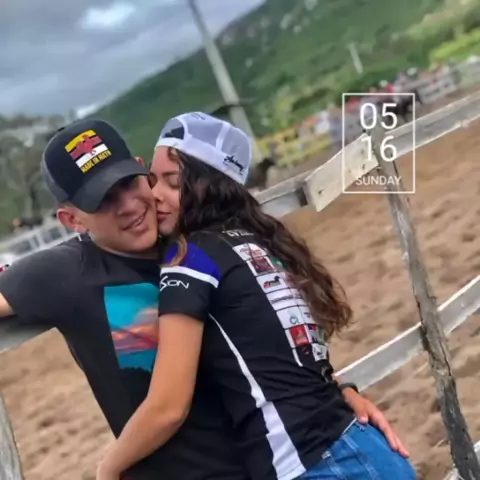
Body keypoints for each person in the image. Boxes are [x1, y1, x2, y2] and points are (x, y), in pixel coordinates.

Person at [0, 118, 406, 480]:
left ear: (144, 172)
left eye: (129, 183)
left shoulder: (192, 247)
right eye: (103, 200)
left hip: (281, 464)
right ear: (71, 219)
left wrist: (340, 392)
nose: (128, 205)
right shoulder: (64, 273)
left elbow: (271, 341)